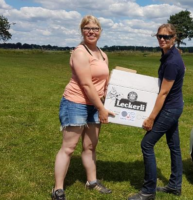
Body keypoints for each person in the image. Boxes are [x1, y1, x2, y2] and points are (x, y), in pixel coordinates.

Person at [52, 15, 114, 200]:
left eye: (95, 28)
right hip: (75, 103)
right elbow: (86, 85)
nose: (91, 32)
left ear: (100, 32)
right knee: (69, 147)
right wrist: (102, 108)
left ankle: (92, 182)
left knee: (90, 146)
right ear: (82, 31)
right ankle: (58, 188)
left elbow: (106, 82)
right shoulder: (80, 52)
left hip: (95, 105)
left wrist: (111, 98)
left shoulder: (102, 54)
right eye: (87, 28)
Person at [128, 24, 185, 200]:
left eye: (166, 37)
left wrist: (151, 118)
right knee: (174, 146)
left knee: (147, 144)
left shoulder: (172, 61)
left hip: (170, 108)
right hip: (175, 106)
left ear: (174, 39)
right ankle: (175, 186)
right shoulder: (169, 55)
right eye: (159, 36)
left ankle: (148, 191)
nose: (162, 39)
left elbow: (164, 92)